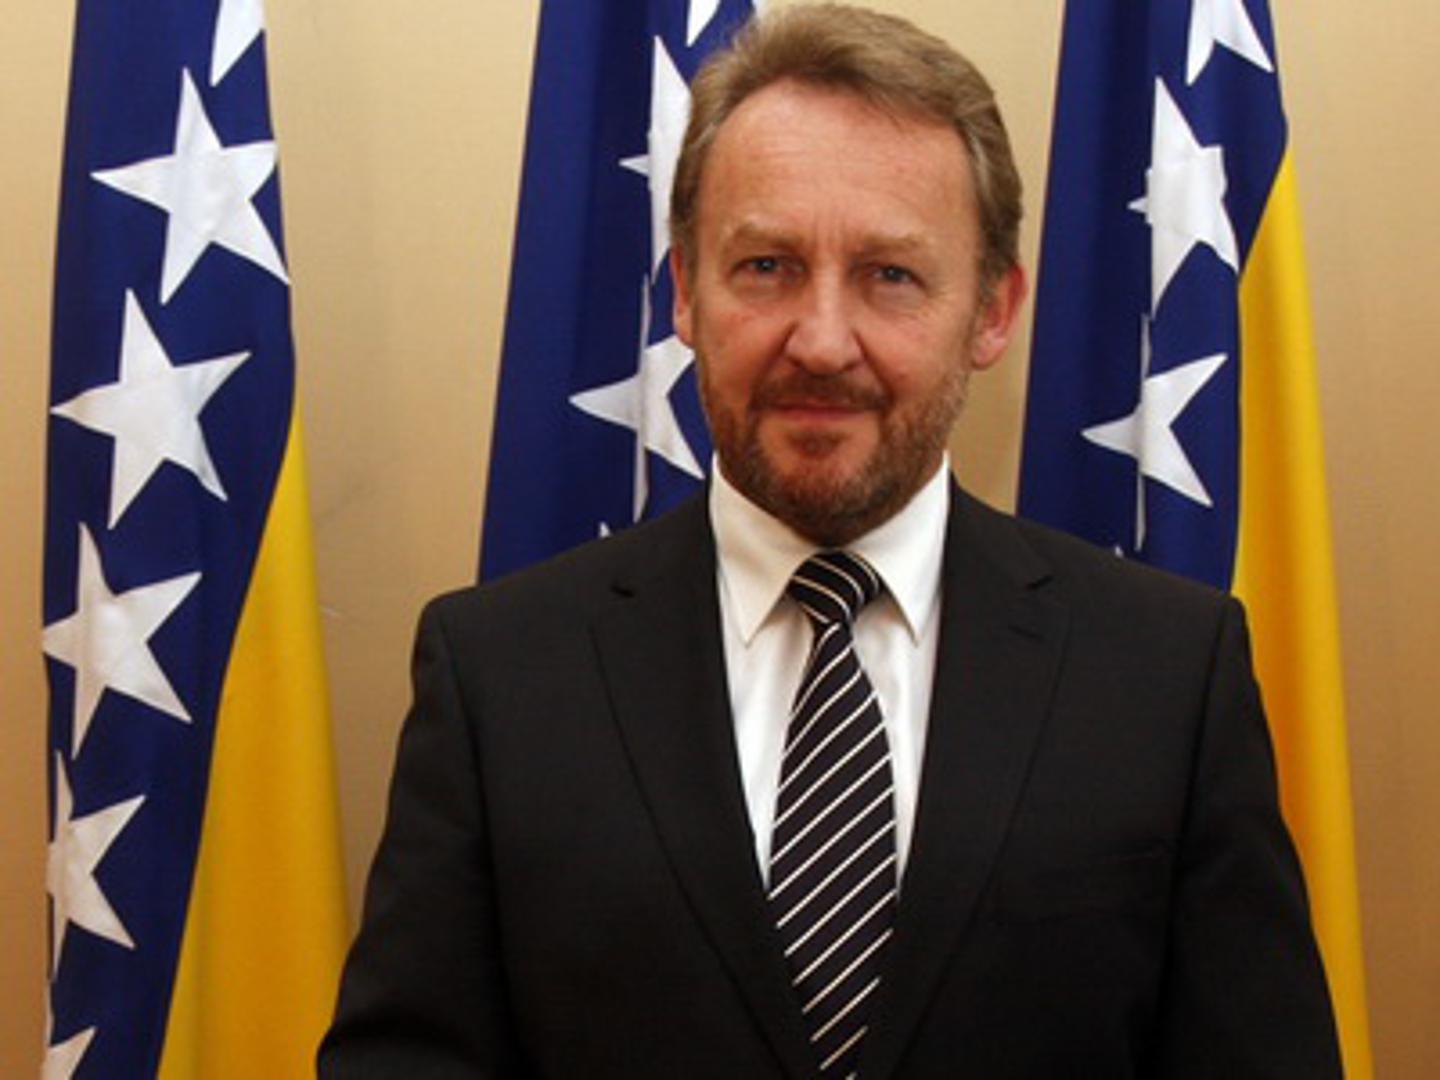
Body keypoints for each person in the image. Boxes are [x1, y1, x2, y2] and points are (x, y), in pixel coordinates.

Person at [320, 5, 1341, 1076]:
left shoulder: (1168, 676)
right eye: (766, 266)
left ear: (994, 310)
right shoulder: (499, 675)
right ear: (686, 292)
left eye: (890, 274)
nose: (820, 341)